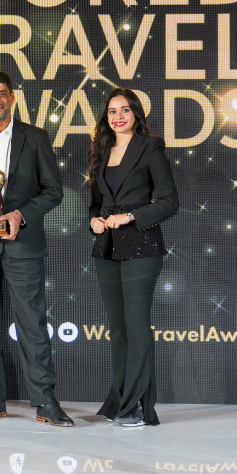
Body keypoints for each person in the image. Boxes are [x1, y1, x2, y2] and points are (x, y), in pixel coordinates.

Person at [0, 71, 71, 426]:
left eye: (2, 93)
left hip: (23, 245)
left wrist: (20, 215)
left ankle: (45, 401)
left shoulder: (35, 137)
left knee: (33, 322)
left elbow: (53, 190)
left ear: (12, 98)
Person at [88, 88, 179, 427]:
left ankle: (137, 407)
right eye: (112, 111)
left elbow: (170, 202)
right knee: (118, 329)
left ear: (136, 114)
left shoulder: (150, 146)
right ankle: (120, 401)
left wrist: (130, 216)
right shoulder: (101, 150)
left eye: (125, 110)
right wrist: (94, 220)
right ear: (106, 117)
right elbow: (97, 202)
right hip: (107, 247)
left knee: (137, 326)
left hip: (141, 244)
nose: (118, 116)